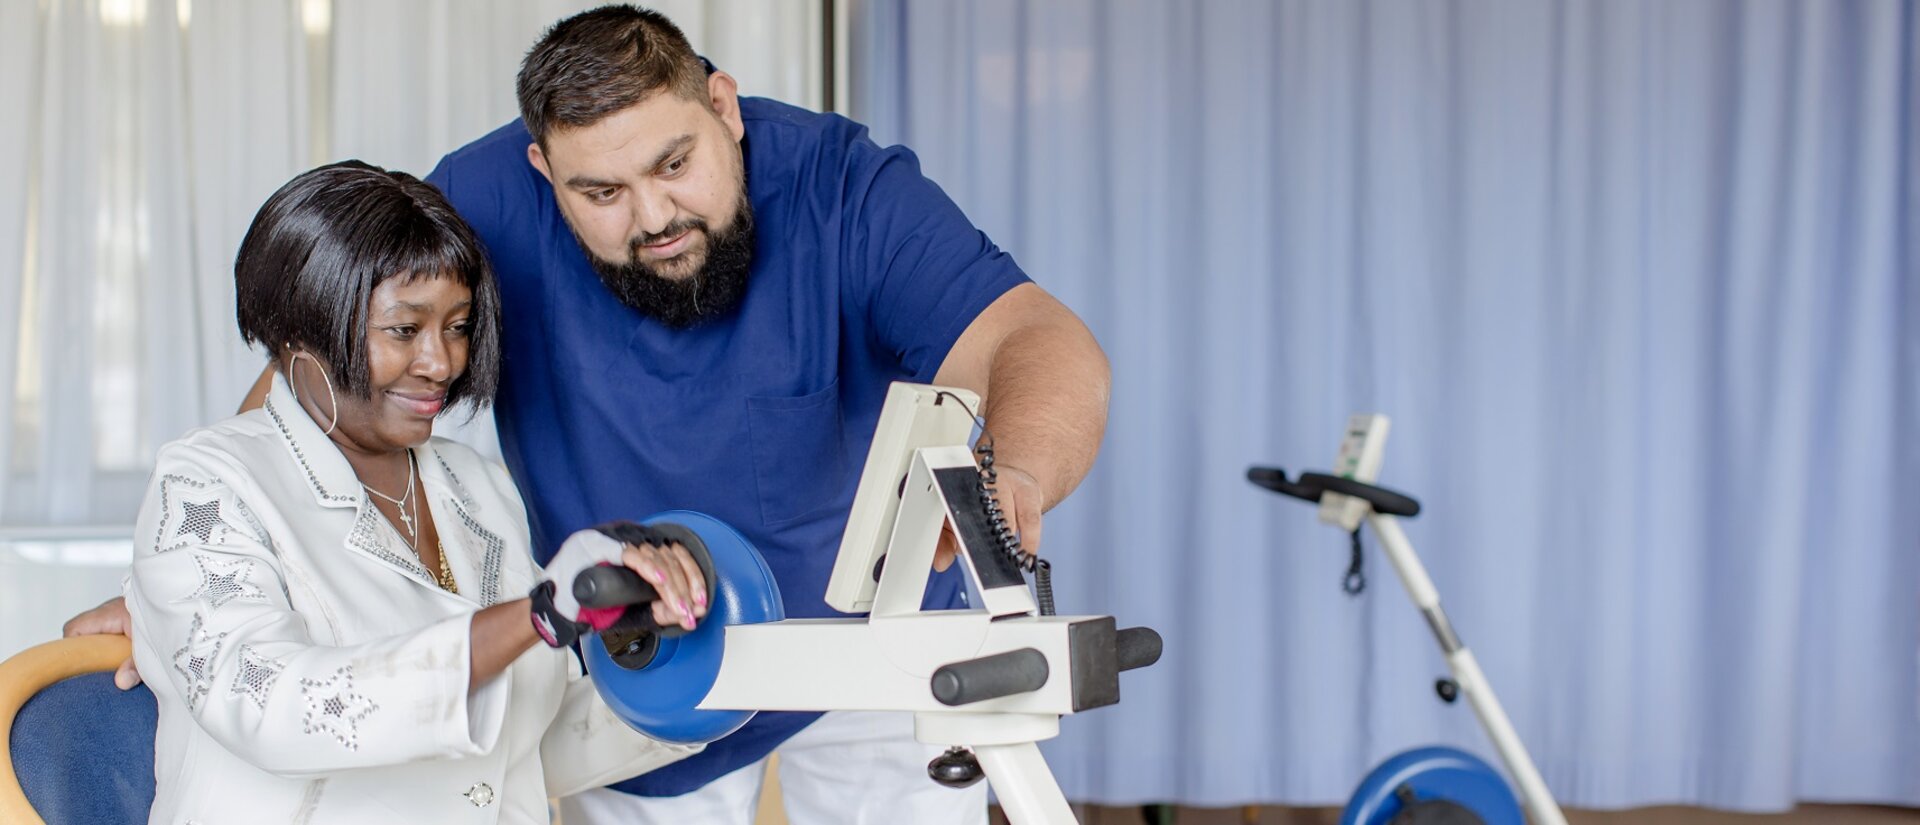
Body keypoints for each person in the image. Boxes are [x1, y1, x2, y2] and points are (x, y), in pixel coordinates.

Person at [70, 4, 1112, 823]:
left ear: (725, 107)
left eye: (675, 164)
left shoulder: (844, 188)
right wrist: (195, 572)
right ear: (542, 170)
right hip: (638, 652)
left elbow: (1033, 338)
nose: (653, 216)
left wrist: (1013, 477)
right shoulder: (481, 199)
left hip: (865, 636)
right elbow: (335, 348)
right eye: (600, 193)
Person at [116, 160, 711, 824]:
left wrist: (685, 662)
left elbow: (517, 748)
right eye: (405, 330)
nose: (441, 363)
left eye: (457, 326)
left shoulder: (475, 484)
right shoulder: (206, 484)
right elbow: (270, 706)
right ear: (301, 326)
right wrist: (535, 618)